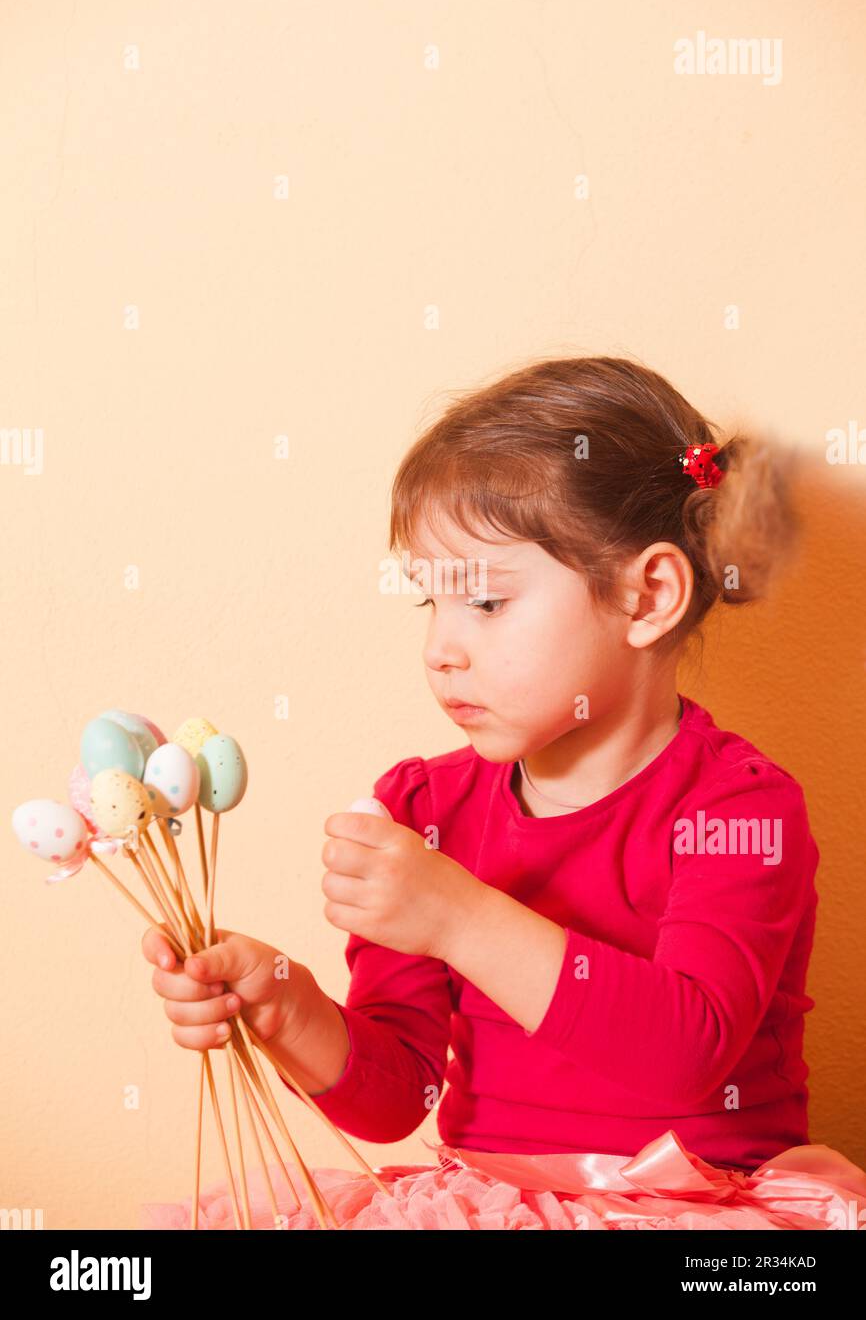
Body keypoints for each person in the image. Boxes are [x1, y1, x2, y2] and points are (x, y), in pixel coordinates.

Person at [141, 357, 863, 1230]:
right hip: (488, 1208)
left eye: (484, 602)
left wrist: (457, 917)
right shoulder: (425, 812)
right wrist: (287, 1004)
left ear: (649, 595)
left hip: (693, 1209)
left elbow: (685, 1053)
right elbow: (396, 1097)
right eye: (429, 604)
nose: (441, 649)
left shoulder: (738, 810)